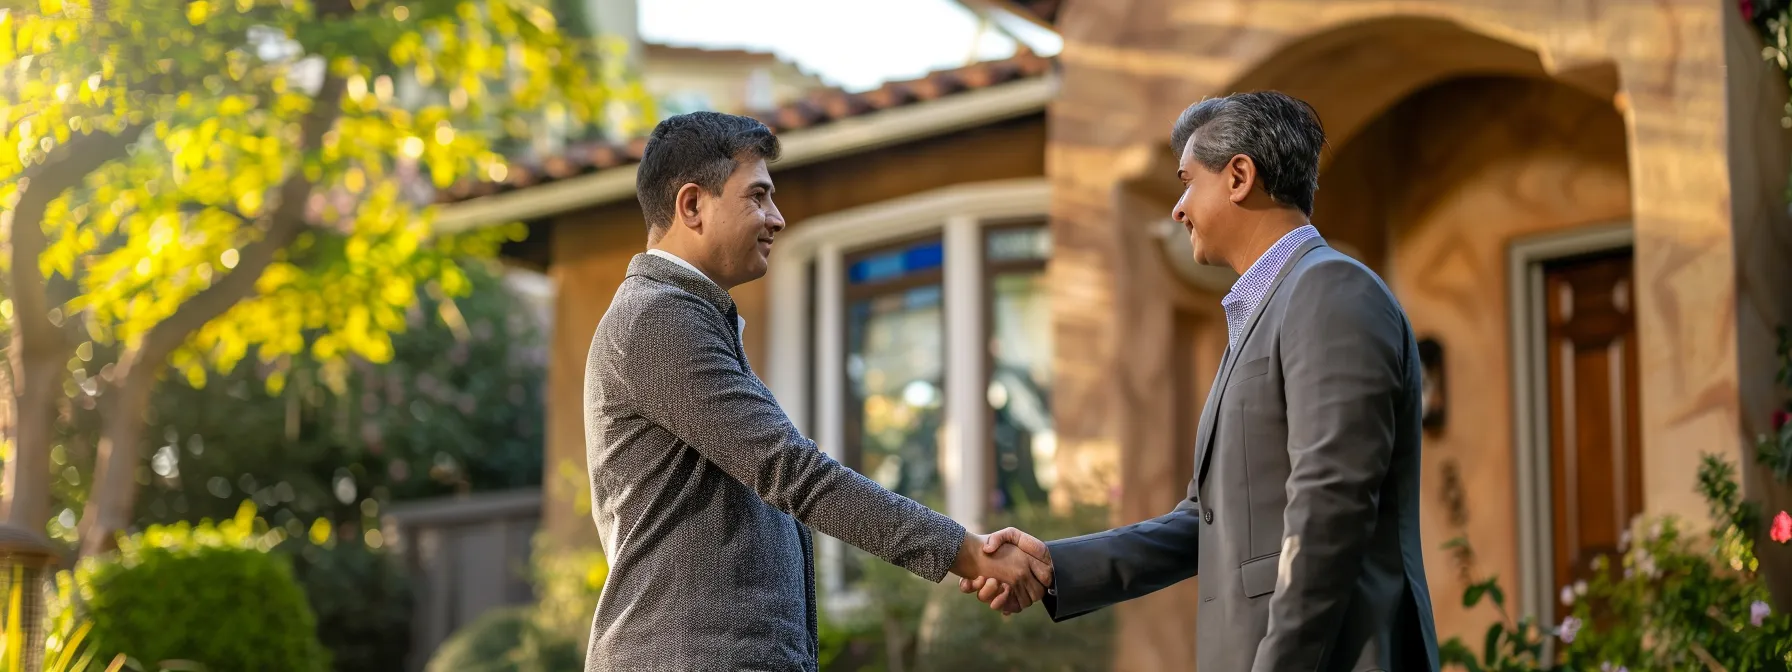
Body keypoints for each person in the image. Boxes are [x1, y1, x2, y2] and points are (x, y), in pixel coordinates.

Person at [964, 91, 1440, 671]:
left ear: (1239, 176)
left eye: (1188, 181)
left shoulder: (1328, 290)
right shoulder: (1268, 310)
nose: (1178, 208)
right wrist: (1055, 567)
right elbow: (1204, 521)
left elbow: (1330, 507)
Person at [581, 111, 1047, 672]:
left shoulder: (686, 317)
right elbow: (791, 471)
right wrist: (966, 552)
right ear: (691, 206)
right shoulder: (657, 319)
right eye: (757, 196)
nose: (777, 218)